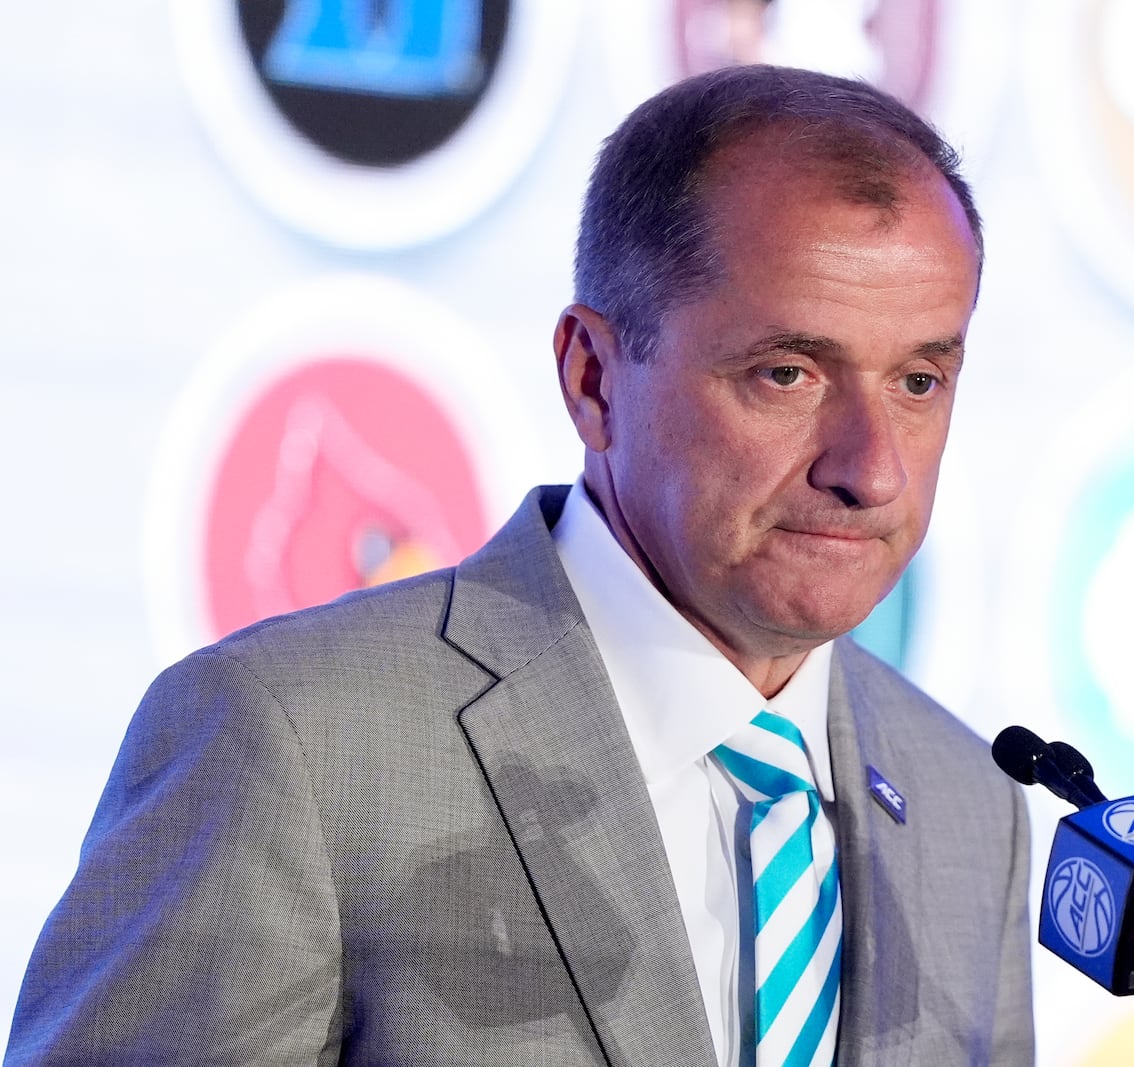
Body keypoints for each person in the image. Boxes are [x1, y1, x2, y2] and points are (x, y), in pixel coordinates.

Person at [5, 65, 1034, 1066]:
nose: (871, 468)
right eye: (787, 371)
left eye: (917, 379)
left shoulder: (968, 802)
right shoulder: (294, 743)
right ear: (591, 379)